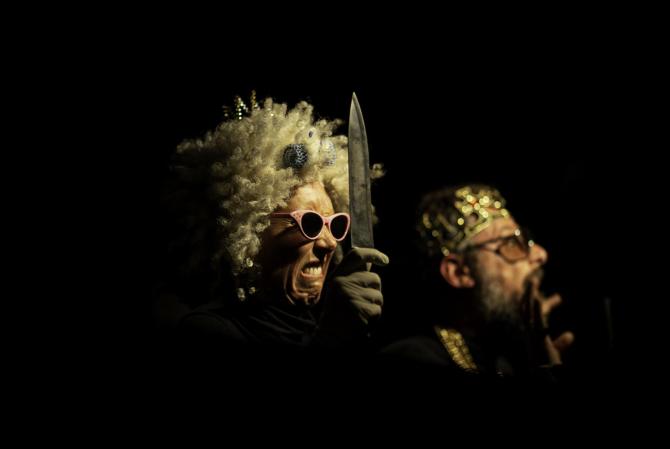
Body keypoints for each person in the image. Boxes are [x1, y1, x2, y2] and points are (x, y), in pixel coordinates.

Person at [155, 92, 388, 371]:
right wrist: (330, 341)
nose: (329, 244)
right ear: (247, 235)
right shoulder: (207, 332)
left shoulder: (324, 322)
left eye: (335, 225)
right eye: (310, 223)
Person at [380, 184, 573, 383]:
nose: (540, 254)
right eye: (511, 242)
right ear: (458, 272)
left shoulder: (503, 364)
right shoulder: (412, 360)